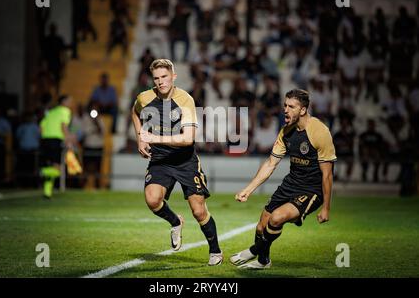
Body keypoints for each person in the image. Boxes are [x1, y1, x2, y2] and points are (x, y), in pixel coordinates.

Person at [230, 89, 336, 269]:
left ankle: (255, 250)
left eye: (291, 107)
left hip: (311, 190)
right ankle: (263, 261)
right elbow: (270, 164)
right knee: (260, 227)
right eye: (285, 105)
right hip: (290, 184)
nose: (286, 110)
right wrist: (248, 189)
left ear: (302, 110)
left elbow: (327, 174)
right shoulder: (286, 131)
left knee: (276, 218)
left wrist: (326, 208)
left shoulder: (320, 132)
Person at [131, 59, 223, 266]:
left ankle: (215, 251)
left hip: (184, 160)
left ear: (173, 76)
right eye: (156, 78)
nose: (161, 82)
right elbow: (135, 112)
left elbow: (187, 138)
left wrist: (153, 139)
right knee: (153, 200)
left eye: (164, 77)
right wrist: (139, 136)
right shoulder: (144, 97)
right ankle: (175, 222)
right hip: (161, 159)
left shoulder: (185, 100)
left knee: (199, 210)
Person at [39, 95, 75, 199]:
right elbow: (63, 126)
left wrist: (44, 138)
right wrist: (68, 140)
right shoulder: (65, 111)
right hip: (55, 140)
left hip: (45, 140)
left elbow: (41, 127)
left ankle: (47, 192)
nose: (71, 103)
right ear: (63, 102)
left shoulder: (51, 112)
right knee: (57, 168)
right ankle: (42, 172)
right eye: (69, 100)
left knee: (50, 166)